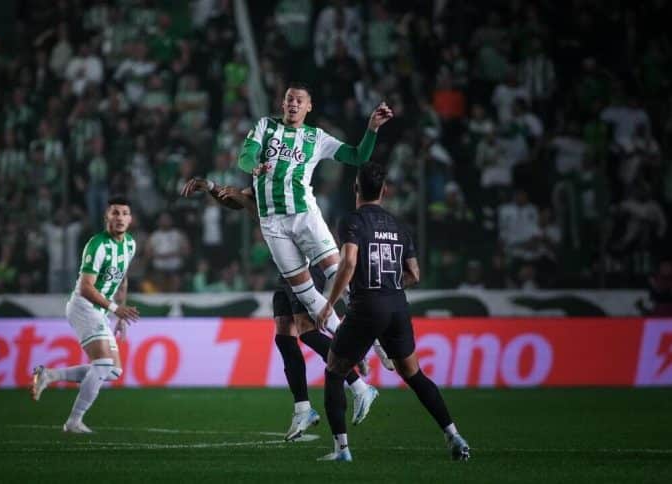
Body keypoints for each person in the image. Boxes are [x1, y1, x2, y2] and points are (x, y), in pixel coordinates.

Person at [181, 178, 384, 441]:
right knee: (284, 336)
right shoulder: (261, 180)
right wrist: (209, 187)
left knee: (307, 331)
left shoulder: (285, 180)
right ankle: (303, 408)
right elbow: (235, 202)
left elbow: (253, 208)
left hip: (305, 259)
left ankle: (358, 384)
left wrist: (242, 199)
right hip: (285, 264)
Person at [316, 162, 470, 462]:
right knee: (413, 374)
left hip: (366, 306)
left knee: (335, 371)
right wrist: (389, 284)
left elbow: (348, 263)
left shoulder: (352, 221)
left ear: (356, 188)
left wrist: (329, 304)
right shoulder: (399, 226)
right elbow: (414, 273)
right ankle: (454, 435)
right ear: (384, 191)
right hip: (397, 305)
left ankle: (342, 450)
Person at [237, 82, 393, 343]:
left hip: (305, 216)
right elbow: (245, 156)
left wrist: (372, 129)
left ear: (309, 106)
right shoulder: (266, 126)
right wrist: (254, 166)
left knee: (338, 275)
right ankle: (349, 344)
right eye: (289, 99)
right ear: (283, 103)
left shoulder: (316, 137)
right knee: (306, 293)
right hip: (272, 223)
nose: (293, 104)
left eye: (299, 100)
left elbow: (357, 157)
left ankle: (375, 340)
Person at [30, 197, 140, 433]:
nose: (119, 217)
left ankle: (48, 375)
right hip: (83, 306)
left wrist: (120, 315)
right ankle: (73, 422)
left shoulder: (130, 244)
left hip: (101, 310)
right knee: (102, 364)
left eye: (124, 213)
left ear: (130, 219)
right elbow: (85, 288)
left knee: (112, 371)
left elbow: (122, 279)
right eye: (115, 213)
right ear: (106, 218)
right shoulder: (97, 245)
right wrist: (115, 309)